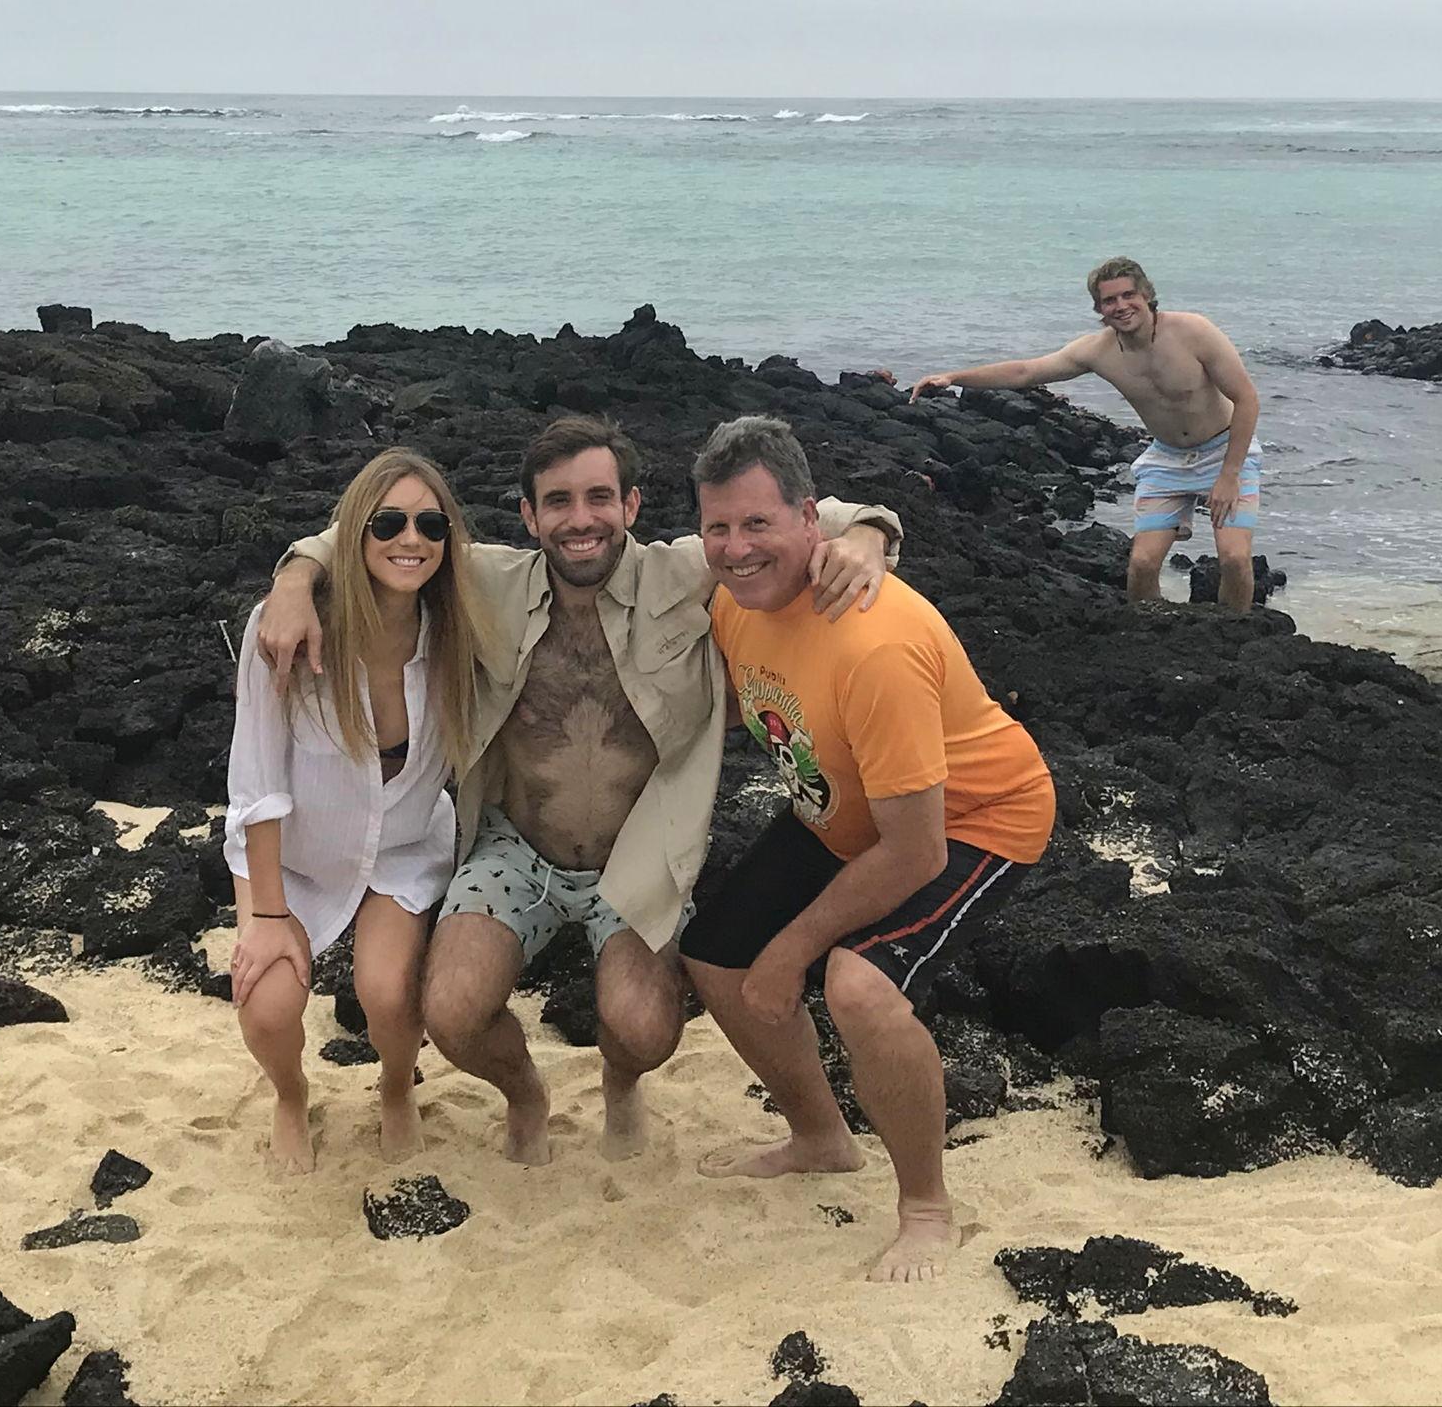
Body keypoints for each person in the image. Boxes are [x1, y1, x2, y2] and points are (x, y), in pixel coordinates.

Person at [255, 413, 901, 1165]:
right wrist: (294, 580)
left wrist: (866, 537)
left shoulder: (686, 570)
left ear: (630, 506)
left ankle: (620, 1080)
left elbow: (810, 515)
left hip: (637, 855)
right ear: (529, 516)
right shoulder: (486, 582)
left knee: (644, 1029)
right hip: (515, 848)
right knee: (453, 1012)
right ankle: (524, 1090)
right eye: (557, 502)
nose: (580, 519)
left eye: (599, 497)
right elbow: (367, 537)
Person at [681, 414, 1054, 1285]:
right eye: (718, 527)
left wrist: (795, 947)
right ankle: (820, 1138)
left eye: (757, 524)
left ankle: (925, 1205)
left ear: (810, 519)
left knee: (857, 985)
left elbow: (916, 853)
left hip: (974, 818)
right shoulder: (733, 597)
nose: (735, 548)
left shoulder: (871, 639)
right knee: (713, 958)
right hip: (844, 812)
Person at [224, 447, 489, 1174]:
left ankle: (398, 1085)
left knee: (385, 992)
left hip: (403, 845)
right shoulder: (286, 632)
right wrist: (271, 917)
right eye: (388, 522)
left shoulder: (459, 624)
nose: (412, 539)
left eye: (431, 524)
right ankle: (289, 1094)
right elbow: (256, 783)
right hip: (295, 852)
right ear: (354, 532)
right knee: (269, 1000)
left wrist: (843, 528)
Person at [907, 256, 1263, 611]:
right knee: (1141, 566)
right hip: (1167, 459)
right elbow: (1025, 372)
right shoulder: (1099, 351)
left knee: (1232, 557)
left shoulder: (1193, 332)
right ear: (1099, 308)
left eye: (1128, 295)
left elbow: (1246, 398)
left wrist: (1229, 475)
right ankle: (1154, 633)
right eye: (1110, 300)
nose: (1121, 306)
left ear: (1147, 295)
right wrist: (953, 377)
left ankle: (1236, 634)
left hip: (1225, 451)